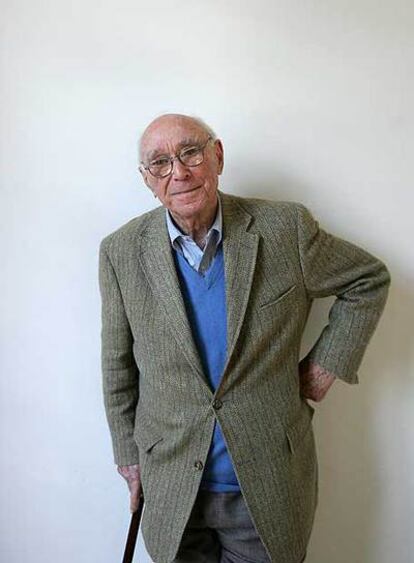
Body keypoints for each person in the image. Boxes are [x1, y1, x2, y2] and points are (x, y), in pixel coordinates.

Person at [99, 114, 390, 563]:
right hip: (171, 486)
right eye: (160, 162)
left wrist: (326, 365)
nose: (179, 172)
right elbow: (117, 363)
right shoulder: (120, 251)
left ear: (217, 156)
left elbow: (367, 280)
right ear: (147, 179)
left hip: (267, 486)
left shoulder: (285, 229)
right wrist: (128, 456)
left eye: (190, 153)